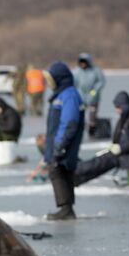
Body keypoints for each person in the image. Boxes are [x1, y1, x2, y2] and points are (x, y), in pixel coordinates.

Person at [74, 91, 129, 189]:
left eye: (118, 107)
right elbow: (120, 135)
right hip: (128, 153)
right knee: (101, 161)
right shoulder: (127, 117)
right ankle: (77, 176)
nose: (117, 110)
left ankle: (76, 170)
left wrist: (120, 147)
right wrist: (115, 145)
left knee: (102, 162)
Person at [43, 61, 85, 220]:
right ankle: (67, 208)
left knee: (57, 171)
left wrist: (60, 145)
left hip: (64, 143)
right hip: (58, 142)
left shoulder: (69, 95)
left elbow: (69, 122)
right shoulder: (61, 94)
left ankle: (66, 209)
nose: (48, 84)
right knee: (61, 171)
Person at [73, 53, 106, 137]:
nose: (83, 64)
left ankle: (92, 130)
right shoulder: (77, 71)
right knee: (80, 115)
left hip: (93, 97)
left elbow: (101, 81)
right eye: (81, 63)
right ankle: (80, 131)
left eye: (84, 62)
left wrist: (94, 91)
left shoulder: (95, 70)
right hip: (81, 97)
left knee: (92, 115)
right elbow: (74, 83)